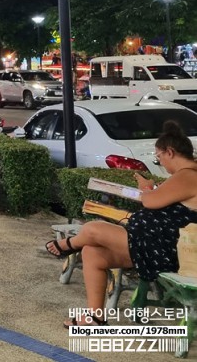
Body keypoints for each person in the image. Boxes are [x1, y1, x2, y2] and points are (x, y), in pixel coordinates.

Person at [45, 121, 197, 326]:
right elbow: (158, 200)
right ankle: (95, 317)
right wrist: (151, 189)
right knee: (92, 253)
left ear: (169, 152)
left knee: (92, 229)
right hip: (152, 245)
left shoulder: (189, 175)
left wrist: (146, 189)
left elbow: (150, 201)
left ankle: (67, 246)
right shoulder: (184, 176)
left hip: (164, 248)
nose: (160, 162)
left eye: (158, 157)